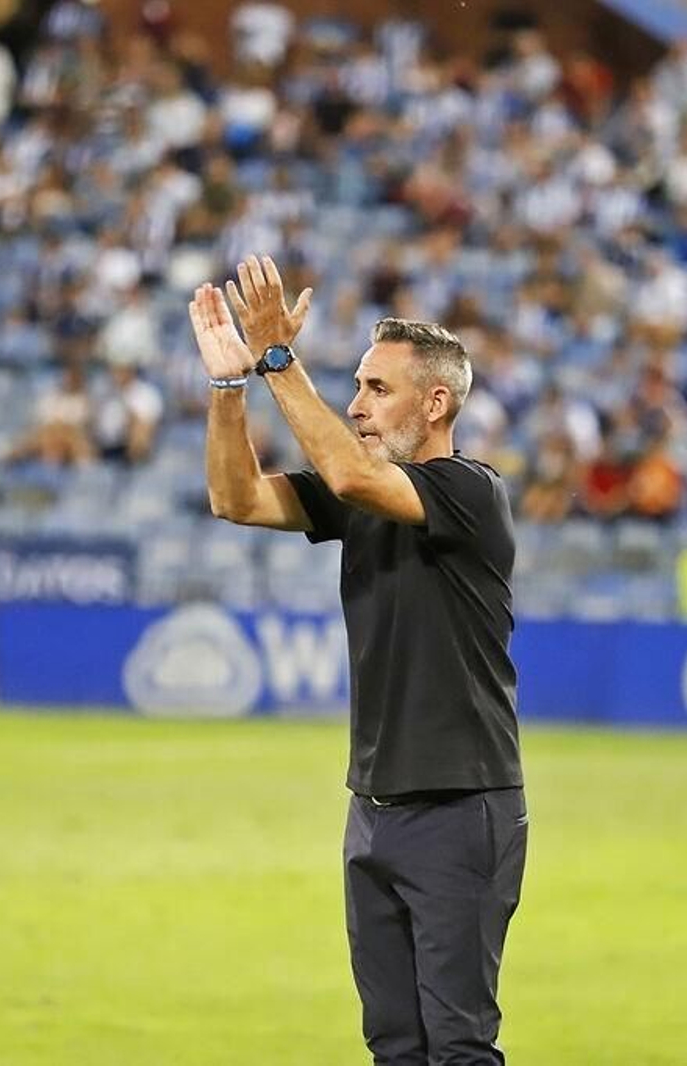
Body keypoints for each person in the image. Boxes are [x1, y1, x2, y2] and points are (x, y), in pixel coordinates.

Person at [190, 255, 527, 1065]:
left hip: (459, 807)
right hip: (372, 808)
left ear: (436, 402)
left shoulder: (470, 493)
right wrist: (231, 389)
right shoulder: (359, 500)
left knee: (457, 1047)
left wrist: (278, 359)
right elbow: (235, 498)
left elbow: (348, 466)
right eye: (360, 386)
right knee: (394, 1045)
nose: (356, 404)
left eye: (378, 388)